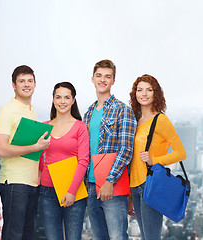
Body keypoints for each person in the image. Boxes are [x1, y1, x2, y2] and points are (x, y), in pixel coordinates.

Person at [0, 65, 51, 240]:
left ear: (35, 84)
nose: (26, 85)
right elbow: (1, 149)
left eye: (29, 81)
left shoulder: (31, 112)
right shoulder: (6, 112)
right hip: (14, 183)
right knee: (13, 234)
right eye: (21, 81)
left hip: (32, 183)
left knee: (28, 235)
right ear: (14, 85)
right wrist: (36, 147)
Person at [83, 59, 137, 240]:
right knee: (100, 237)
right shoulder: (89, 113)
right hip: (90, 185)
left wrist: (109, 180)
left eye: (108, 76)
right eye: (99, 76)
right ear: (92, 79)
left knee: (117, 237)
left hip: (112, 186)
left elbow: (126, 150)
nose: (102, 80)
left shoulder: (123, 110)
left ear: (113, 81)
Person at [129, 74, 187, 240]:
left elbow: (181, 153)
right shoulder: (136, 119)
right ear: (135, 94)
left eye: (149, 89)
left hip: (151, 185)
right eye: (140, 90)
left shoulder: (161, 120)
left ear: (156, 93)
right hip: (135, 186)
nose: (144, 94)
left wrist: (154, 160)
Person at [39, 82, 89, 240]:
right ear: (53, 100)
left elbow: (83, 161)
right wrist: (40, 175)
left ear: (73, 100)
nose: (62, 101)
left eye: (67, 97)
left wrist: (71, 191)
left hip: (73, 191)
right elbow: (38, 155)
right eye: (58, 97)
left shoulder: (80, 127)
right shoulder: (45, 126)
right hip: (47, 191)